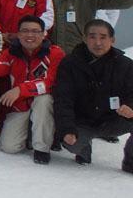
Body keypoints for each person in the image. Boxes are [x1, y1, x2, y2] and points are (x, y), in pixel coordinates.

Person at [0, 15, 65, 164]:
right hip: (20, 106)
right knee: (9, 146)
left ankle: (42, 148)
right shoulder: (11, 52)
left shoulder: (55, 53)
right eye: (25, 31)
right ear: (19, 34)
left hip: (44, 105)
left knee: (44, 99)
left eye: (35, 31)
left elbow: (51, 82)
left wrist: (20, 90)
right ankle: (29, 133)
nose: (30, 35)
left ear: (43, 34)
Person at [55, 20, 133, 172]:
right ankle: (84, 147)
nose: (98, 42)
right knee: (72, 143)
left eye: (103, 37)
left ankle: (130, 162)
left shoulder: (126, 65)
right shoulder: (70, 63)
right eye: (92, 37)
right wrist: (67, 129)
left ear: (112, 40)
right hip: (83, 121)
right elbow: (63, 99)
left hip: (113, 120)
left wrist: (130, 107)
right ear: (84, 39)